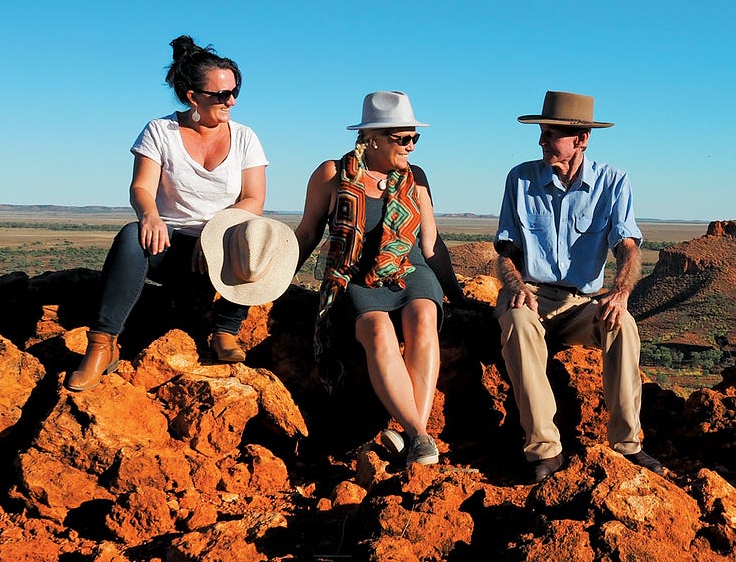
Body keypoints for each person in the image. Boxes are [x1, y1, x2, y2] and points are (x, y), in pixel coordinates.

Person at [67, 35, 288, 391]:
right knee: (130, 235)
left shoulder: (246, 137)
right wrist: (150, 215)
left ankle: (225, 331)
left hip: (221, 254)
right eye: (221, 95)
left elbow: (253, 200)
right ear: (192, 97)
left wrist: (215, 232)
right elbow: (141, 187)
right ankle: (102, 345)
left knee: (265, 236)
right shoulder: (160, 130)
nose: (230, 101)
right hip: (169, 248)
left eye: (235, 91)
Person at [493, 90, 664, 482]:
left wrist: (620, 292)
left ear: (581, 139)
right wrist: (516, 285)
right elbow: (505, 249)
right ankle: (545, 450)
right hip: (530, 294)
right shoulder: (520, 179)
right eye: (542, 133)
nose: (541, 141)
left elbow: (627, 245)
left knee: (623, 327)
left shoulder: (614, 182)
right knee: (518, 323)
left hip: (580, 302)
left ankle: (627, 444)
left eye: (550, 133)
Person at [293, 91, 468, 466]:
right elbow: (308, 233)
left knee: (422, 318)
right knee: (377, 330)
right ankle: (419, 436)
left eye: (414, 138)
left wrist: (457, 295)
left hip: (410, 269)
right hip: (354, 275)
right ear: (372, 138)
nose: (411, 147)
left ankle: (414, 437)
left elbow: (432, 243)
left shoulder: (415, 178)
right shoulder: (332, 174)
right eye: (402, 139)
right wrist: (276, 275)